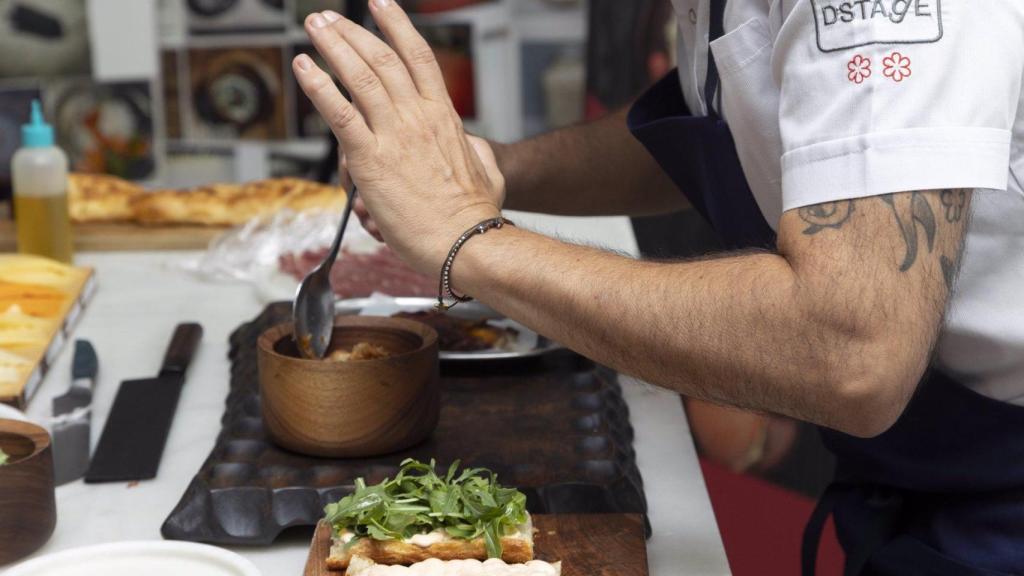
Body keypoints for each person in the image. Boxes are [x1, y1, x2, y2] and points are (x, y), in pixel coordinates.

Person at [290, 1, 1024, 574]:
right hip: (927, 473)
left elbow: (848, 349)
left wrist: (467, 238)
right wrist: (498, 169)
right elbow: (734, 126)